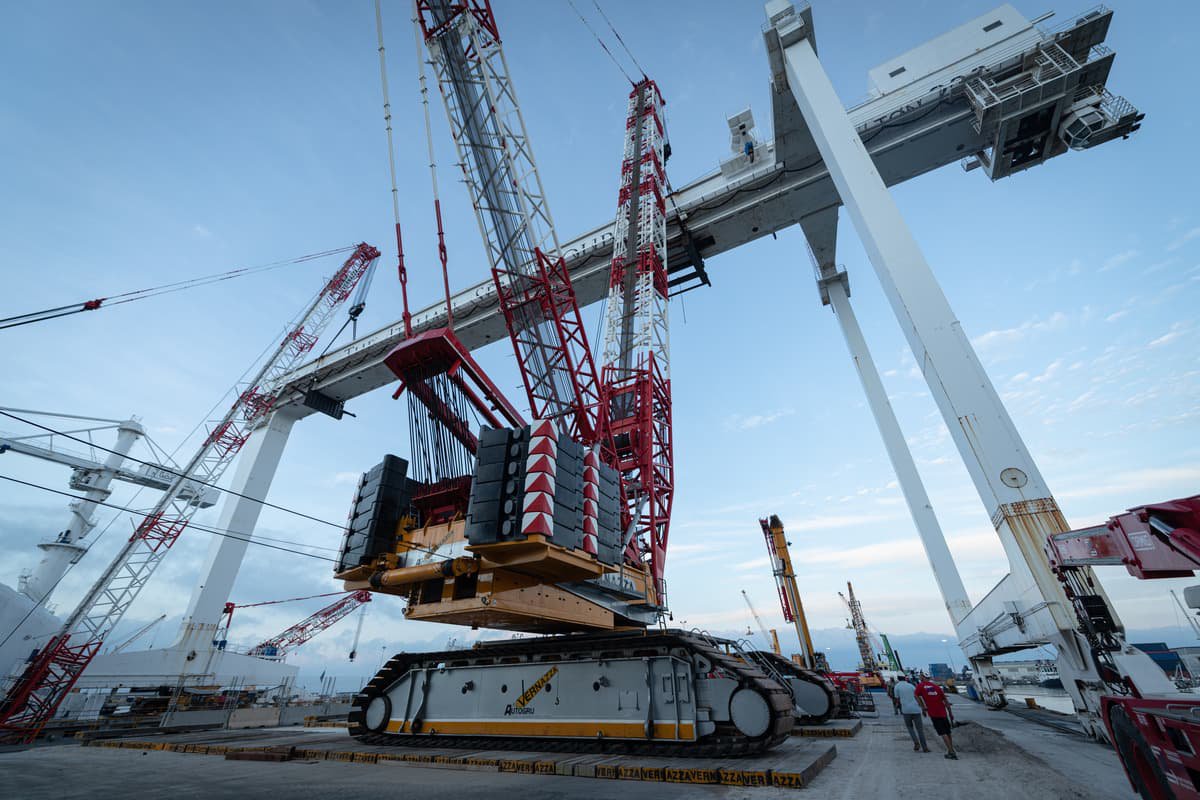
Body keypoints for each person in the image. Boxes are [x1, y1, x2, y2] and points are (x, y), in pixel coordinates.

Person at [916, 674, 958, 760]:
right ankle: (951, 750)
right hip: (943, 713)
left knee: (942, 733)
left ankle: (952, 752)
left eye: (920, 677)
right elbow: (946, 701)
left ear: (923, 677)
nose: (920, 678)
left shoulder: (921, 686)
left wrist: (923, 707)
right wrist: (950, 713)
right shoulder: (937, 687)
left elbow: (916, 695)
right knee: (947, 732)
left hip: (934, 714)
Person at [892, 674, 928, 753]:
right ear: (905, 678)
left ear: (898, 678)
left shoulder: (897, 687)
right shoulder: (911, 686)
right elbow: (917, 697)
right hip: (916, 709)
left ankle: (916, 742)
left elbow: (897, 699)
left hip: (906, 710)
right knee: (920, 729)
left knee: (910, 727)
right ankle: (925, 747)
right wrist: (923, 709)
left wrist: (898, 705)